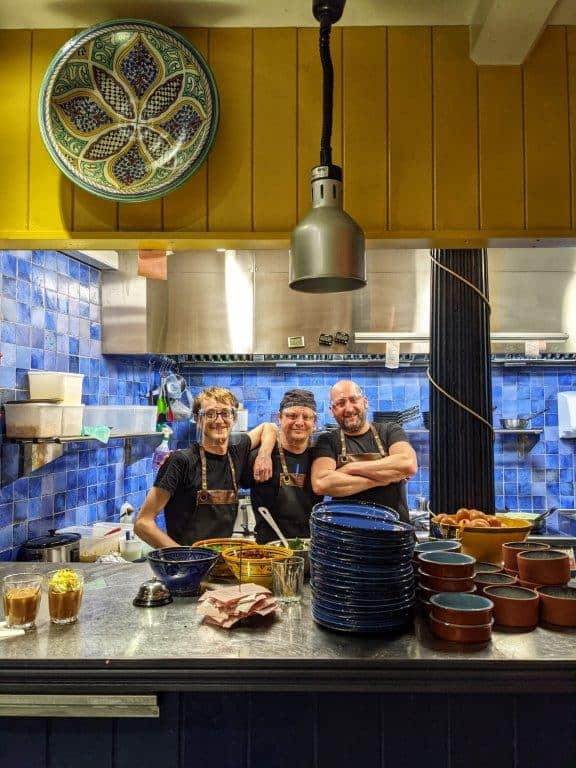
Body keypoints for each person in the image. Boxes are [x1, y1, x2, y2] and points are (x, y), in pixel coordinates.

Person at [135, 387, 277, 548]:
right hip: (186, 566)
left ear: (234, 418)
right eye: (210, 414)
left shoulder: (237, 453)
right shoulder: (180, 461)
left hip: (221, 562)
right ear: (198, 419)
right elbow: (142, 523)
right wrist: (183, 557)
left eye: (225, 413)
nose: (219, 420)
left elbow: (269, 427)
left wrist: (264, 455)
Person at [311, 379, 418, 522]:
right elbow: (322, 483)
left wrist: (349, 468)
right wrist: (383, 479)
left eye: (354, 400)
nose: (349, 409)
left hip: (394, 534)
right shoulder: (328, 440)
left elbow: (407, 464)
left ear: (365, 402)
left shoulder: (389, 430)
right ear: (332, 410)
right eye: (341, 403)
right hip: (348, 537)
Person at [242, 389, 323, 543]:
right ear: (279, 418)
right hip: (269, 551)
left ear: (314, 422)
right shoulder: (259, 458)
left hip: (309, 547)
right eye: (291, 416)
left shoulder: (321, 457)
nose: (299, 422)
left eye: (306, 417)